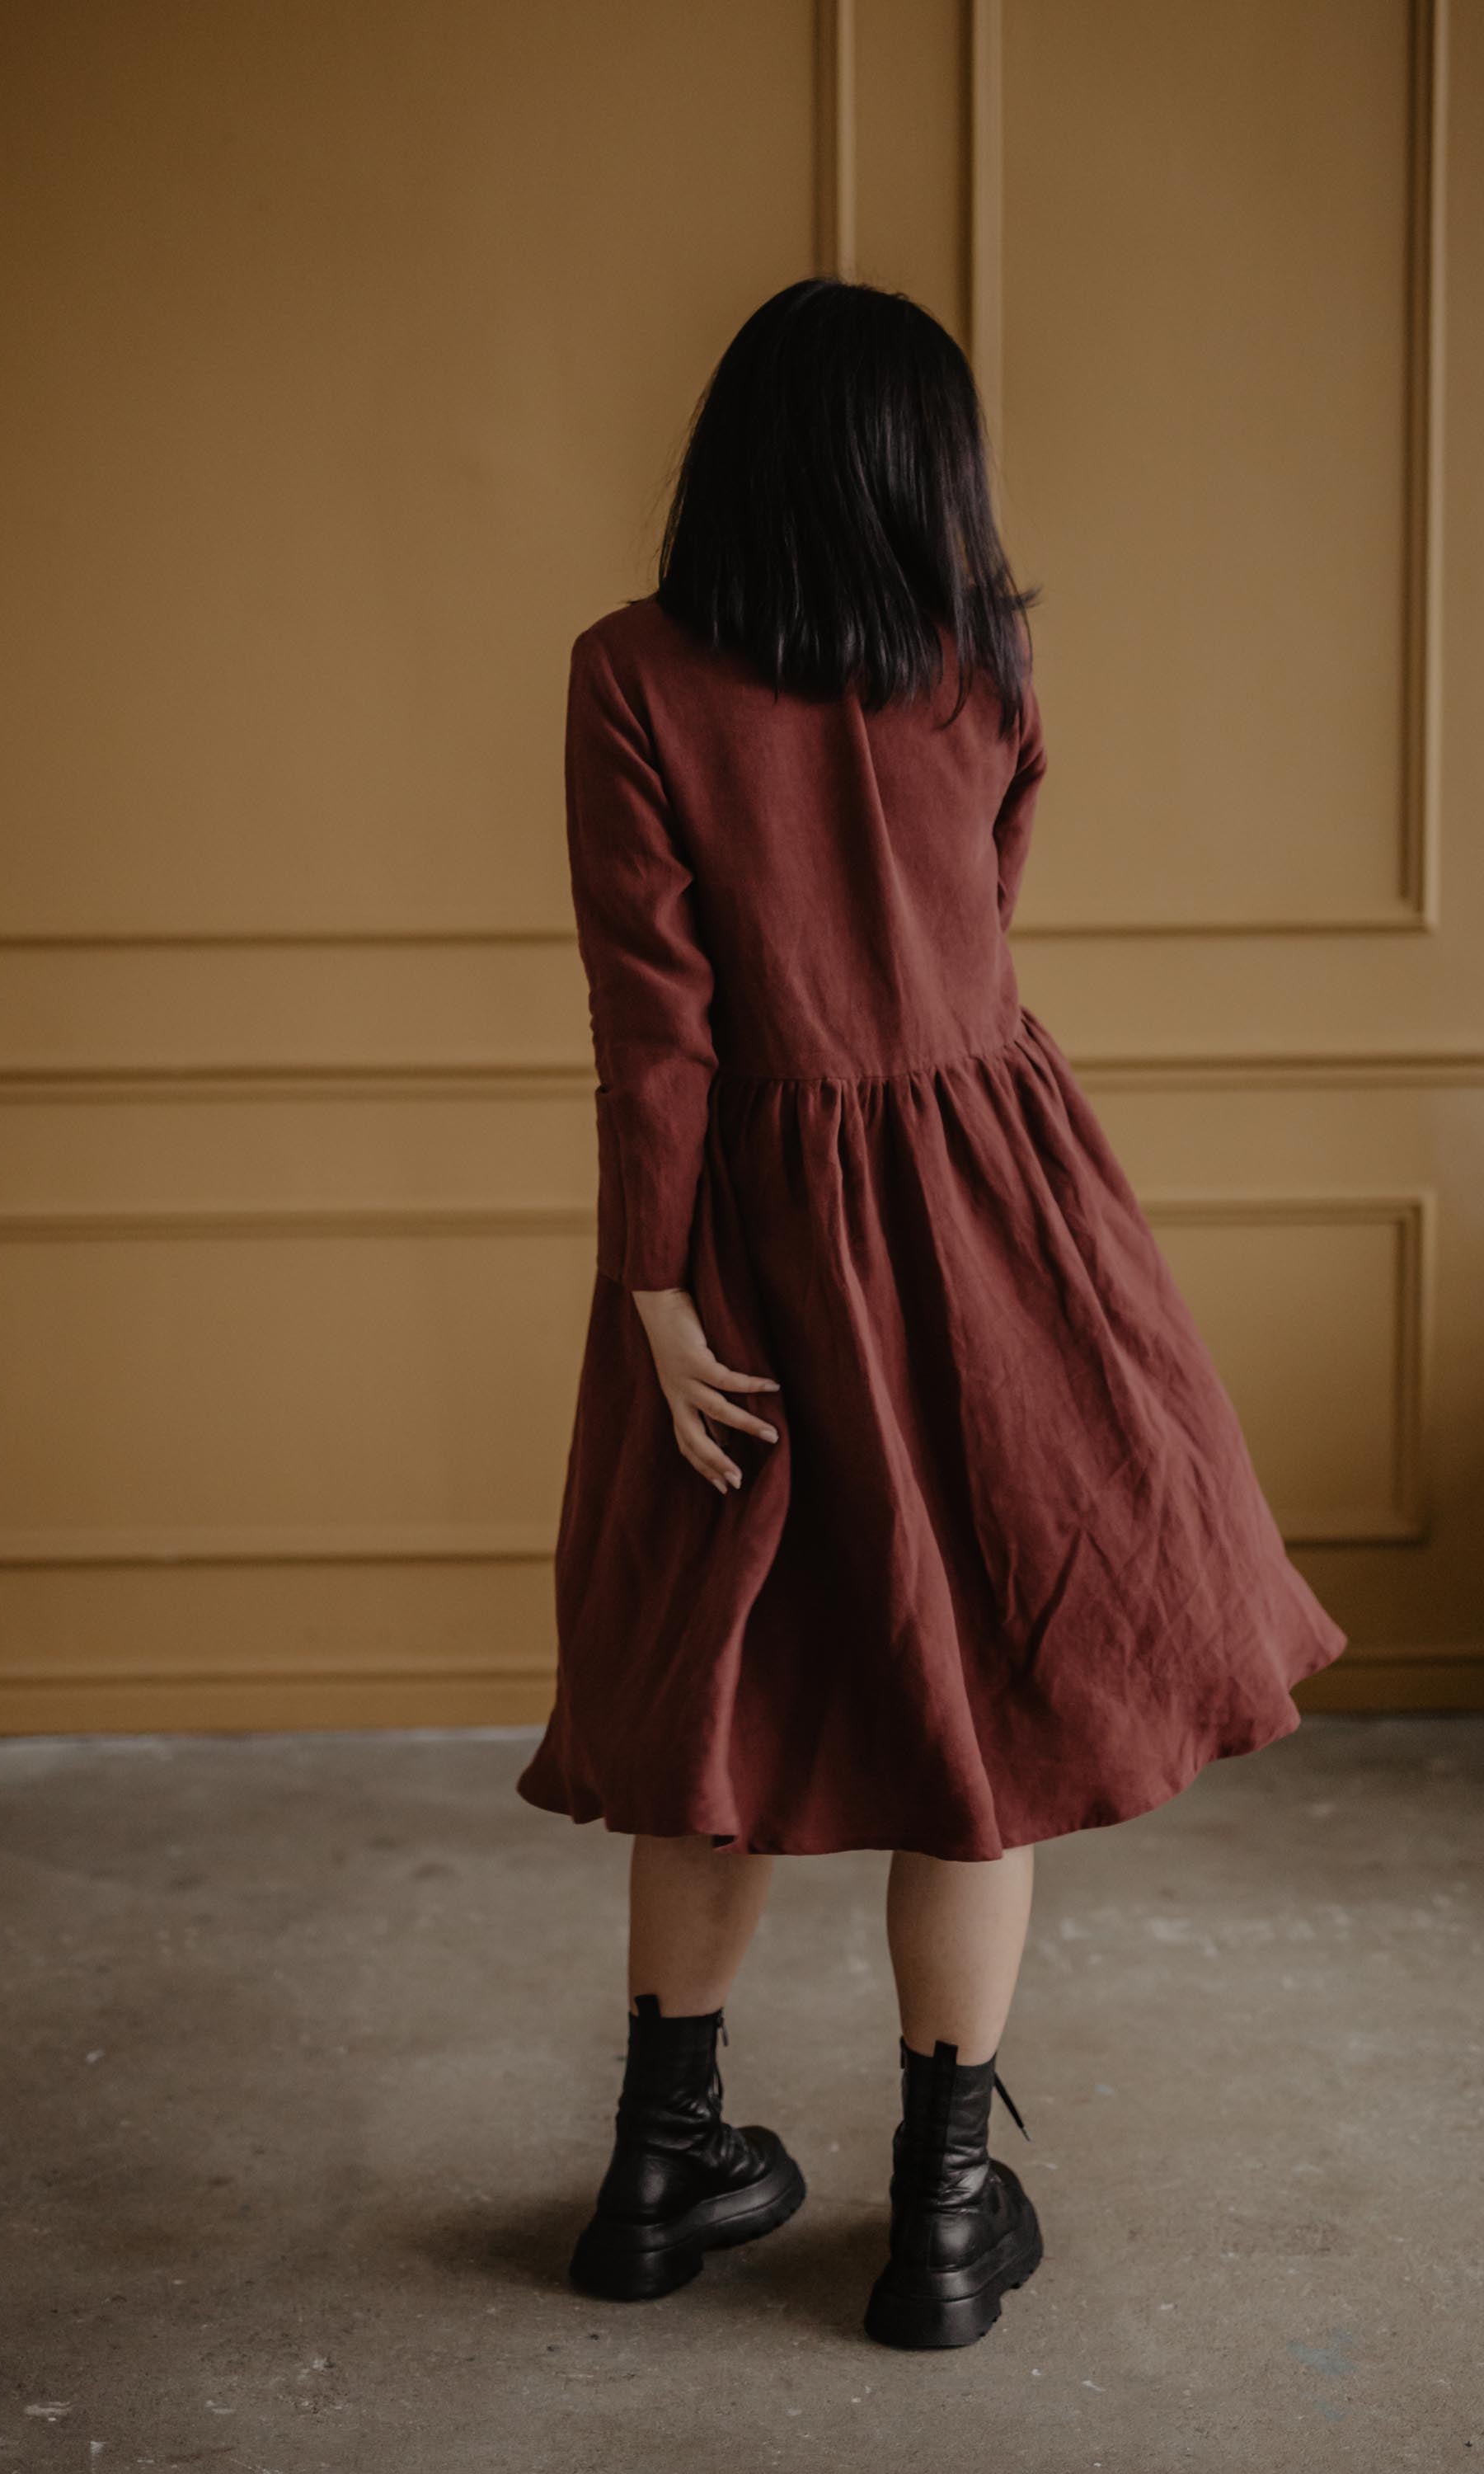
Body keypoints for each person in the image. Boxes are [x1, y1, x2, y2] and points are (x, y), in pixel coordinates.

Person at [514, 277, 1346, 2349]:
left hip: (741, 1237)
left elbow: (653, 1023)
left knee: (719, 1710)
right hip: (994, 1214)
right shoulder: (983, 664)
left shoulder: (628, 673)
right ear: (928, 473)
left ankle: (658, 2174)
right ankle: (944, 2225)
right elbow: (981, 919)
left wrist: (652, 1288)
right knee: (982, 1717)